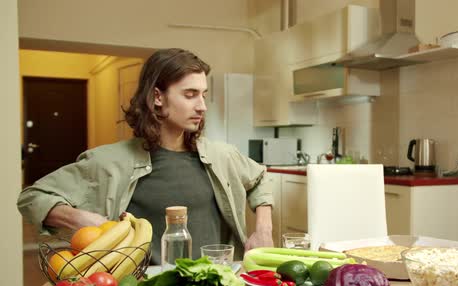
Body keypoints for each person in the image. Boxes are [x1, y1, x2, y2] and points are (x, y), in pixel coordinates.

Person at [17, 48, 274, 262]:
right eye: (190, 94)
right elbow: (32, 197)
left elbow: (259, 178)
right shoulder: (107, 162)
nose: (202, 106)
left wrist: (263, 229)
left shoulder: (222, 155)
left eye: (203, 95)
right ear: (157, 97)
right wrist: (83, 218)